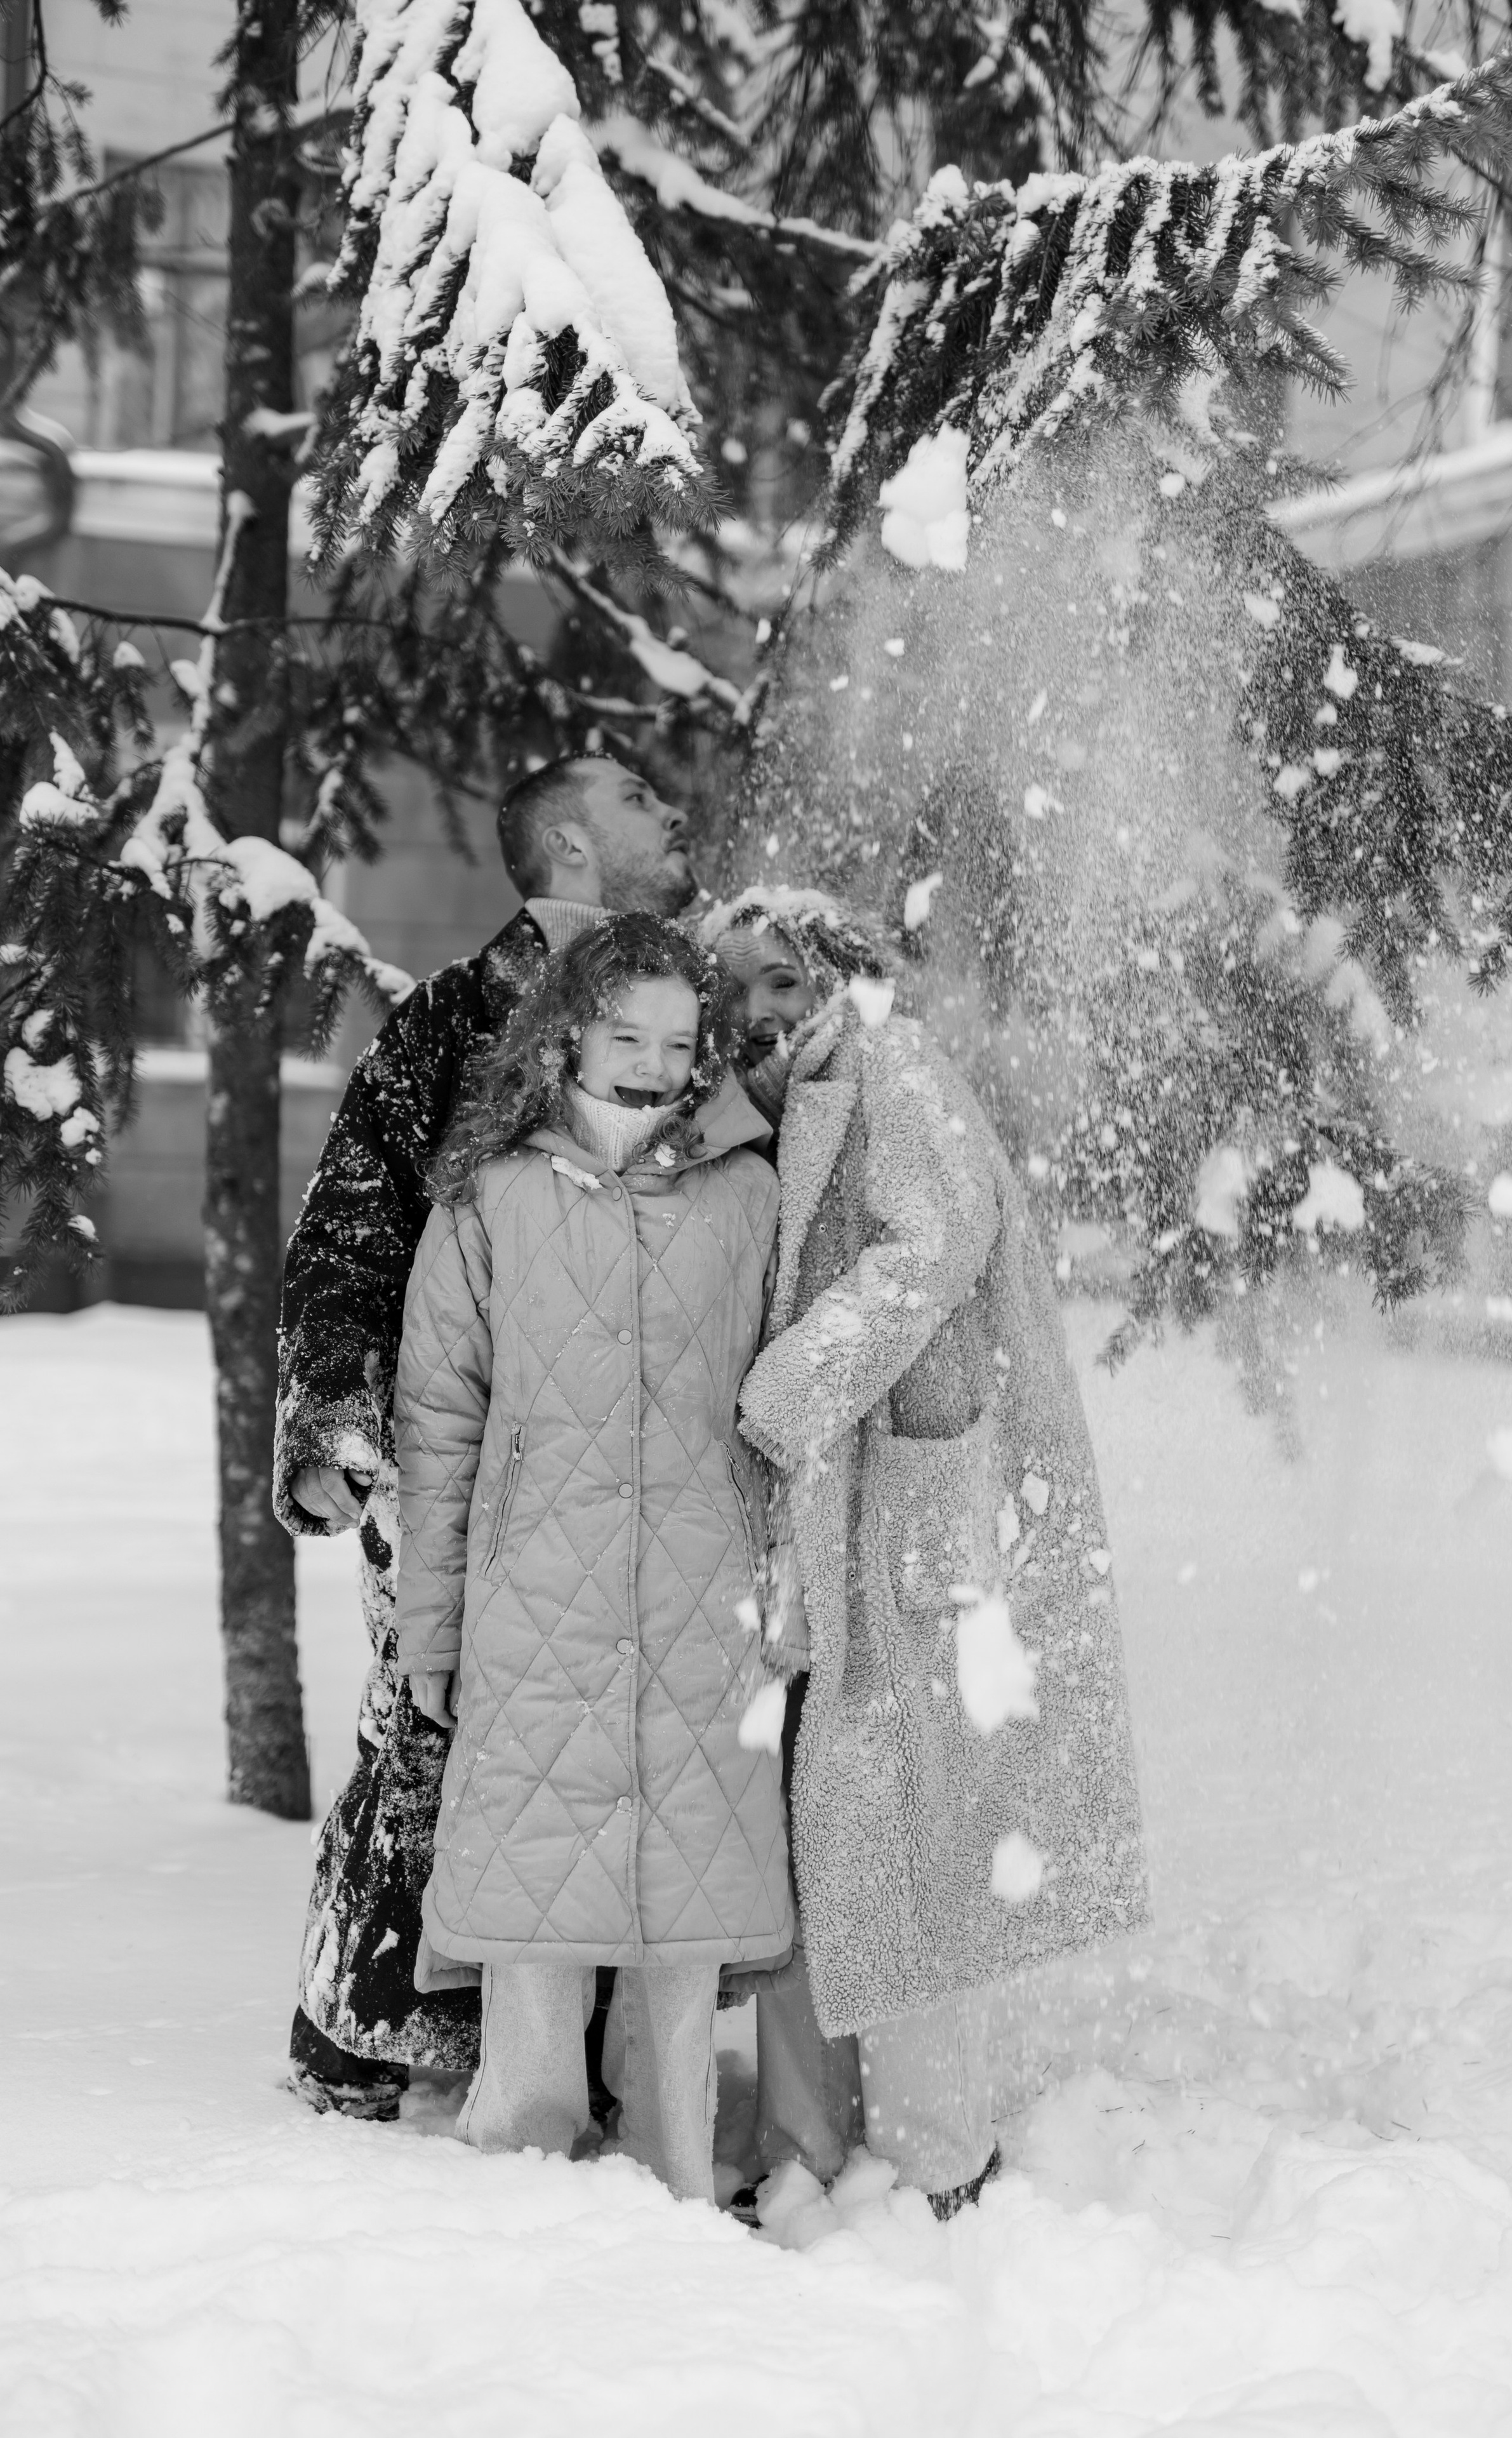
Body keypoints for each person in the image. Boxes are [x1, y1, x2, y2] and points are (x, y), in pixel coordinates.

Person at [707, 887, 1149, 2217]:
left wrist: (780, 1394)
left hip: (897, 1510)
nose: (757, 1010)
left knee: (894, 1838)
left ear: (837, 970)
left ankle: (938, 2157)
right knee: (842, 1828)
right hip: (845, 1513)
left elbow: (933, 1245)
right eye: (736, 989)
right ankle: (850, 2140)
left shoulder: (891, 1066)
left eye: (780, 981)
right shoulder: (801, 1085)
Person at [274, 754, 695, 2121]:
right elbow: (350, 1228)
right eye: (638, 800)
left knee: (630, 1756)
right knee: (436, 1736)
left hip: (649, 1473)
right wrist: (340, 1417)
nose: (671, 814)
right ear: (571, 841)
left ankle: (593, 2058)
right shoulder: (453, 1022)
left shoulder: (686, 1012)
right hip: (468, 1468)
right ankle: (375, 2045)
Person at [392, 915, 793, 2194]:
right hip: (538, 1599)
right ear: (567, 1029)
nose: (651, 1063)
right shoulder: (490, 1197)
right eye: (626, 1035)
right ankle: (518, 2172)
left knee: (681, 1915)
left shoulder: (748, 1195)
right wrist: (433, 1633)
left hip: (700, 1601)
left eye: (678, 1043)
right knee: (532, 1903)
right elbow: (438, 1425)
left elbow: (787, 1415)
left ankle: (676, 2178)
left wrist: (789, 1601)